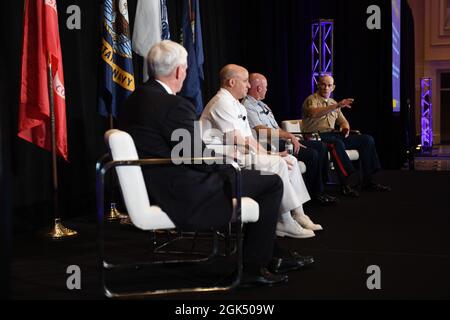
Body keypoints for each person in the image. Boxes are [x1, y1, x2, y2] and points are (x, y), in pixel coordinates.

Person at [118, 40, 312, 287]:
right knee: (271, 184)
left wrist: (223, 160)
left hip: (160, 180)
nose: (186, 73)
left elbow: (185, 150)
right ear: (178, 71)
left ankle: (273, 255)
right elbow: (195, 155)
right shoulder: (172, 105)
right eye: (186, 69)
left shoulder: (134, 99)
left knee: (262, 179)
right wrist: (227, 164)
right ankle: (253, 267)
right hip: (181, 189)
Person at [200, 64, 323, 239]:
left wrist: (271, 154)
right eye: (245, 81)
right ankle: (284, 221)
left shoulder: (237, 105)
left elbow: (249, 139)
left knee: (290, 160)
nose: (248, 86)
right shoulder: (221, 102)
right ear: (231, 82)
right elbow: (238, 140)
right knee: (279, 164)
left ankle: (298, 213)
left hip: (240, 155)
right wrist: (270, 157)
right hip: (223, 161)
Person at [242, 73, 337, 206]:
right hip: (270, 144)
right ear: (259, 88)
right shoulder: (247, 105)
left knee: (321, 146)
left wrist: (291, 137)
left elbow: (276, 127)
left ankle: (321, 187)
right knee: (312, 154)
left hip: (281, 141)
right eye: (266, 87)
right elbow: (261, 130)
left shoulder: (263, 106)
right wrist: (290, 136)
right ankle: (315, 193)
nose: (267, 90)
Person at [302, 75, 391, 196]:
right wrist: (337, 105)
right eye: (323, 84)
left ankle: (368, 180)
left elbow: (343, 121)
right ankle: (346, 183)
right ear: (318, 85)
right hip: (316, 137)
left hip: (333, 135)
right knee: (336, 143)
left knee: (366, 139)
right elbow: (313, 113)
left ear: (333, 87)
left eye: (329, 85)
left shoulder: (333, 102)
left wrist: (345, 129)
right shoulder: (312, 100)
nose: (326, 88)